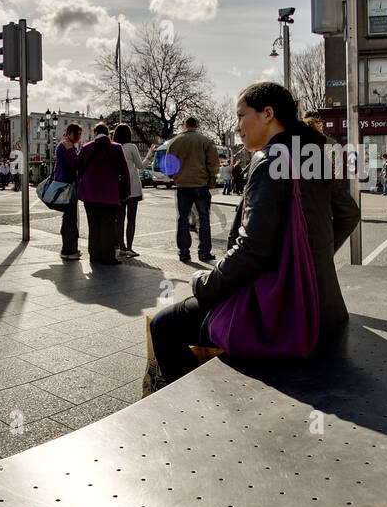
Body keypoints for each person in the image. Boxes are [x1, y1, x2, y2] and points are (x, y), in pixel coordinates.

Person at [144, 81, 362, 395]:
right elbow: (349, 213)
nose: (237, 128)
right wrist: (315, 259)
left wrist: (205, 284)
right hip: (326, 309)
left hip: (285, 314)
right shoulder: (308, 155)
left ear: (267, 114)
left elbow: (253, 249)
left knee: (163, 325)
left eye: (241, 116)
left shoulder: (269, 160)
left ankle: (194, 409)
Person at [73, 123, 132, 267]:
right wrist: (126, 191)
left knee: (93, 225)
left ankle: (94, 255)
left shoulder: (86, 147)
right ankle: (108, 256)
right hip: (110, 193)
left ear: (95, 133)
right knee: (109, 225)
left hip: (90, 193)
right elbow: (124, 172)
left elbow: (77, 167)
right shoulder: (116, 147)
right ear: (107, 134)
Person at [166, 115, 220, 266]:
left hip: (182, 186)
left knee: (182, 219)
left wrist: (176, 177)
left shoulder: (174, 142)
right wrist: (211, 180)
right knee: (204, 219)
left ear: (185, 126)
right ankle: (204, 252)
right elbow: (213, 164)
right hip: (200, 184)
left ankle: (184, 253)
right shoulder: (205, 141)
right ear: (197, 125)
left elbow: (169, 168)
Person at [52, 123, 88, 261]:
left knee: (70, 217)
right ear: (70, 133)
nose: (79, 137)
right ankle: (67, 249)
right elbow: (75, 163)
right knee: (69, 218)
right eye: (77, 134)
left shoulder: (68, 145)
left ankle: (71, 248)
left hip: (67, 184)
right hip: (66, 185)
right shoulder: (65, 145)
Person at [114, 125, 148, 259]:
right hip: (133, 186)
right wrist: (150, 155)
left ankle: (121, 246)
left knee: (120, 219)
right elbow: (141, 166)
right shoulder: (131, 147)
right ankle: (129, 247)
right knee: (131, 219)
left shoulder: (115, 147)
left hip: (119, 187)